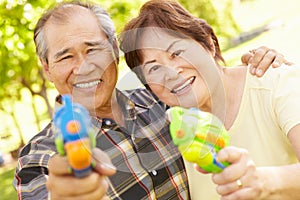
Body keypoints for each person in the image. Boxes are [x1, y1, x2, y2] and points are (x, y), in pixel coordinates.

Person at [13, 1, 290, 200]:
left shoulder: (165, 102)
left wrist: (259, 66)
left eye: (93, 49)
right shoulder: (39, 158)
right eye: (65, 56)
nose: (84, 67)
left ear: (113, 52)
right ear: (47, 68)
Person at [119, 0, 300, 199]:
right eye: (154, 68)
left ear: (209, 43)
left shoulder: (276, 82)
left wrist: (265, 181)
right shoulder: (173, 130)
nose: (171, 73)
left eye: (177, 53)